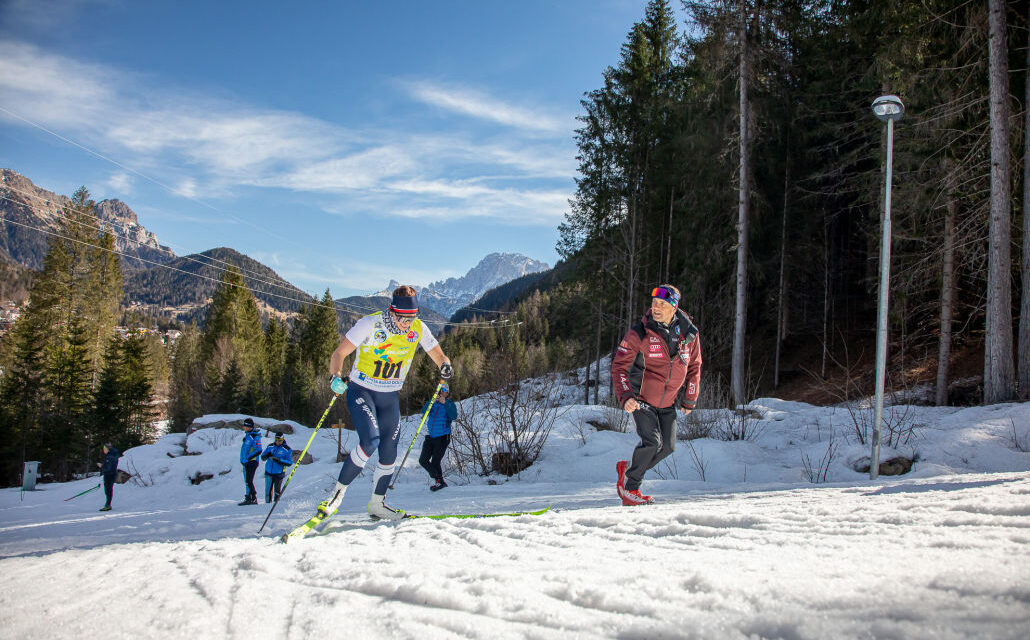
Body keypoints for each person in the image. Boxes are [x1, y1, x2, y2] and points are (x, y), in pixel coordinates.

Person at [319, 285, 453, 521]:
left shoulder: (418, 328)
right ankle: (335, 496)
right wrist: (335, 377)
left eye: (412, 318)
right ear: (392, 311)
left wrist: (445, 365)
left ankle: (377, 504)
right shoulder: (370, 324)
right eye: (402, 318)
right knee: (370, 441)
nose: (406, 323)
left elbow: (439, 355)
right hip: (362, 390)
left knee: (389, 450)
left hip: (389, 395)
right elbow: (339, 354)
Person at [611, 284, 702, 506]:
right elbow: (619, 367)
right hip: (641, 399)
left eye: (662, 303)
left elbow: (695, 366)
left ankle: (628, 472)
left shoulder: (689, 334)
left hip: (668, 402)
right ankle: (630, 490)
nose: (656, 308)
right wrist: (626, 396)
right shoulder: (640, 332)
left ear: (674, 307)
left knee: (668, 447)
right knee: (652, 443)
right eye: (654, 303)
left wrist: (690, 398)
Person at [419, 384, 456, 491]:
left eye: (445, 391)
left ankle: (440, 482)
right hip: (431, 436)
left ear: (447, 393)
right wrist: (431, 402)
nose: (442, 393)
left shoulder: (450, 403)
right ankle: (437, 477)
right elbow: (424, 411)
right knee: (423, 460)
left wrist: (445, 404)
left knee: (435, 461)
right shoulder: (433, 403)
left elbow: (453, 416)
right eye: (440, 391)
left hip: (443, 437)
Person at [261, 431, 294, 503]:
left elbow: (289, 462)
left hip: (279, 473)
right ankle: (267, 505)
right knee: (268, 492)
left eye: (280, 440)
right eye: (276, 440)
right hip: (269, 472)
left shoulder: (287, 449)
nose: (278, 442)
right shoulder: (270, 446)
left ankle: (275, 504)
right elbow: (262, 457)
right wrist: (267, 455)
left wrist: (279, 460)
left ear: (283, 440)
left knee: (277, 492)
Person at [238, 418, 263, 506]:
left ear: (249, 427)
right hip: (246, 462)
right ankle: (249, 498)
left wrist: (248, 458)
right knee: (248, 481)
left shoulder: (254, 436)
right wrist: (243, 460)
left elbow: (259, 450)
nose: (243, 427)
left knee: (249, 480)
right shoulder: (248, 436)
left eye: (245, 425)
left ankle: (253, 498)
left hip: (252, 462)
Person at [97, 442, 122, 512]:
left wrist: (101, 466)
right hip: (112, 474)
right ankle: (108, 504)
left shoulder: (109, 457)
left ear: (108, 449)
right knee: (109, 490)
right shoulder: (113, 455)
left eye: (104, 449)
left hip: (109, 474)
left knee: (108, 490)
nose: (103, 450)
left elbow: (108, 468)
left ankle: (108, 505)